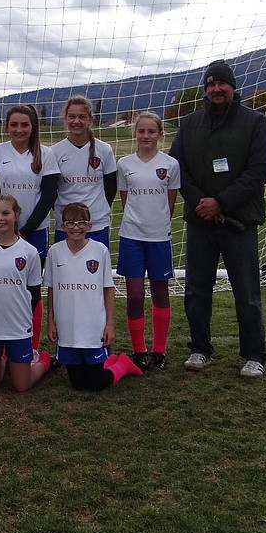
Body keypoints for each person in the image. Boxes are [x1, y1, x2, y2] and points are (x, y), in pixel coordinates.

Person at [170, 60, 266, 378]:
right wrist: (201, 203)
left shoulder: (255, 122)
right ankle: (200, 349)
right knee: (196, 290)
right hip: (200, 222)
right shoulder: (190, 124)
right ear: (206, 89)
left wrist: (222, 203)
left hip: (240, 222)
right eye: (211, 84)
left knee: (246, 292)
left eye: (222, 84)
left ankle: (255, 354)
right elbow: (178, 167)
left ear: (233, 87)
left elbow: (259, 170)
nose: (217, 89)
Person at [0, 104, 59, 348]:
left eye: (24, 124)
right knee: (1, 285)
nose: (19, 129)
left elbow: (48, 196)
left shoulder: (46, 154)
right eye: (14, 124)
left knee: (31, 288)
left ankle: (30, 345)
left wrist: (25, 231)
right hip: (1, 231)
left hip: (34, 232)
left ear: (33, 127)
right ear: (7, 127)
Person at [46, 202, 139, 391]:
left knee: (95, 383)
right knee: (78, 385)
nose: (76, 228)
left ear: (89, 226)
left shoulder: (100, 251)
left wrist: (110, 324)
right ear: (63, 226)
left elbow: (108, 288)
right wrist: (51, 321)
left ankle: (123, 364)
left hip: (93, 327)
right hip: (68, 328)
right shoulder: (54, 252)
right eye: (70, 223)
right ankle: (111, 361)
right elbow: (51, 289)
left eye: (81, 223)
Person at [0, 193, 54, 392]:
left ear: (16, 215)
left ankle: (44, 360)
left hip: (17, 326)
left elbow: (34, 293)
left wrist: (22, 316)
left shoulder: (29, 252)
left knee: (21, 386)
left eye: (5, 213)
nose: (0, 218)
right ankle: (4, 357)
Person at [116, 111, 181, 371]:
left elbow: (171, 202)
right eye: (141, 131)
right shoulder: (125, 164)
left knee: (160, 292)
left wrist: (156, 223)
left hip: (158, 238)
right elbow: (125, 199)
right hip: (131, 236)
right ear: (135, 133)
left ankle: (159, 350)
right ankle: (139, 349)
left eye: (151, 131)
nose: (146, 135)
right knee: (134, 294)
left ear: (160, 134)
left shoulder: (171, 164)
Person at [52, 96, 117, 246]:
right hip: (66, 225)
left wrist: (98, 209)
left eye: (82, 117)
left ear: (90, 119)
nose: (76, 121)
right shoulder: (55, 152)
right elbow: (52, 190)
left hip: (96, 224)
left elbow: (111, 187)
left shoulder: (104, 150)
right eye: (72, 116)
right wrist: (65, 212)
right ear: (65, 118)